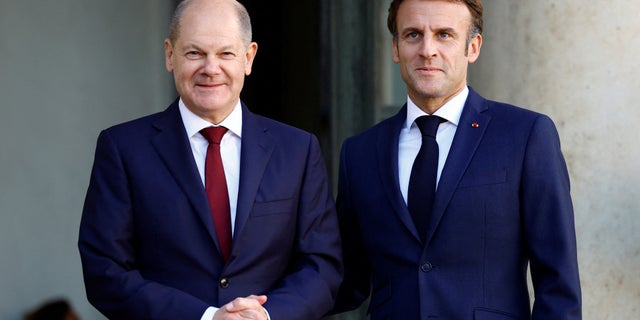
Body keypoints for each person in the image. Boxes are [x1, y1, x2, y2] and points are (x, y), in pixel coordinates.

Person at [78, 0, 342, 319]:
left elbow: (321, 267)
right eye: (194, 53)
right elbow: (105, 271)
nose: (210, 68)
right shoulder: (122, 148)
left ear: (248, 57)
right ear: (169, 55)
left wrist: (268, 315)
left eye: (225, 53)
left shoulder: (298, 150)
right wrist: (206, 317)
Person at [332, 0, 581, 319]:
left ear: (473, 47)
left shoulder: (526, 135)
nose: (427, 50)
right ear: (395, 47)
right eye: (412, 35)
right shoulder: (360, 152)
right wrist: (270, 304)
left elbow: (558, 284)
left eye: (444, 34)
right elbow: (345, 278)